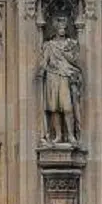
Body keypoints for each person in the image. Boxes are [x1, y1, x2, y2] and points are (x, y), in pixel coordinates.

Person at [38, 15, 83, 146]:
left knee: (67, 107)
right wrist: (42, 70)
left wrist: (66, 53)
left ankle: (70, 135)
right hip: (53, 77)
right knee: (54, 108)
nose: (62, 28)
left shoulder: (71, 44)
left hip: (66, 76)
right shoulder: (49, 45)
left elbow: (75, 61)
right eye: (59, 25)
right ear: (55, 28)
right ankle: (58, 136)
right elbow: (44, 63)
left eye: (64, 25)